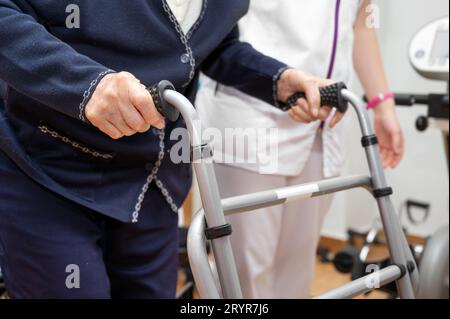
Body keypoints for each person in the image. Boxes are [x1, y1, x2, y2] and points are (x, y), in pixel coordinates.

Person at [0, 0, 342, 298]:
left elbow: (213, 46)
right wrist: (86, 85)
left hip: (152, 184)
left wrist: (277, 79)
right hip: (48, 174)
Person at [195, 0, 404, 298]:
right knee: (245, 278)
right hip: (252, 117)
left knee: (296, 271)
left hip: (325, 126)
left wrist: (382, 104)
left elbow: (361, 19)